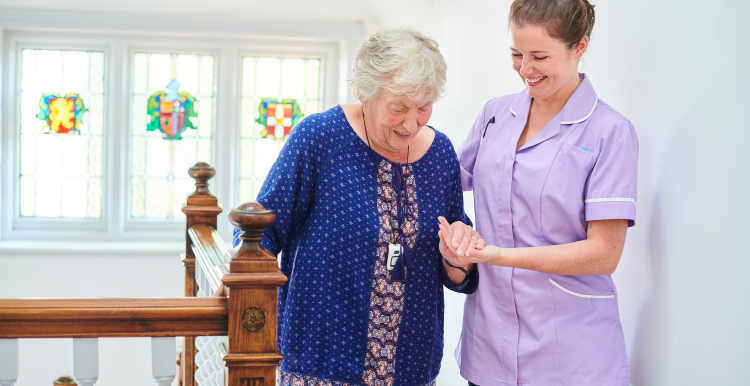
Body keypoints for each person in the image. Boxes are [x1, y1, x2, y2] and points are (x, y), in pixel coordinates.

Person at [233, 25, 481, 386]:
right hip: (320, 365)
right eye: (398, 108)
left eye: (424, 108)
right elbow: (264, 230)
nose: (412, 123)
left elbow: (455, 265)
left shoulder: (440, 153)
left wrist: (459, 258)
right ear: (365, 92)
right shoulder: (320, 138)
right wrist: (239, 276)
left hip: (410, 369)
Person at [437, 1, 639, 385]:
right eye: (516, 54)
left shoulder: (608, 131)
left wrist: (496, 255)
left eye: (540, 56)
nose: (525, 69)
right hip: (490, 346)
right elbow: (443, 179)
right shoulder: (495, 115)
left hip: (572, 353)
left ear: (579, 47)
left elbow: (604, 254)